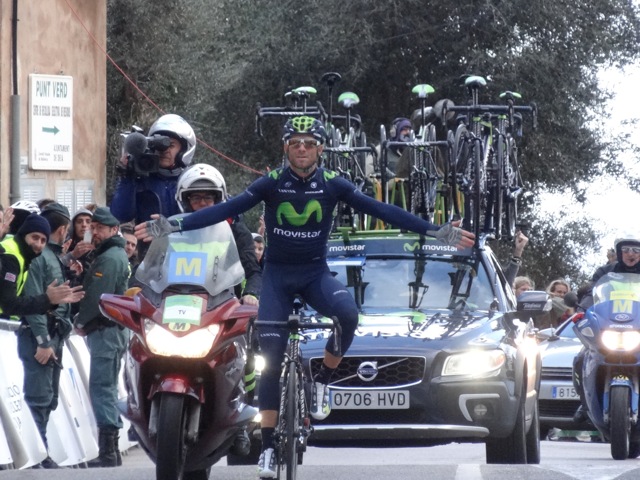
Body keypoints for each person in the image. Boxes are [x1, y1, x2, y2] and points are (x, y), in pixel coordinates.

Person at [135, 116, 475, 478]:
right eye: (295, 142)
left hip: (314, 275)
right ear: (285, 147)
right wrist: (169, 224)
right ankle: (267, 448)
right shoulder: (271, 183)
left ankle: (323, 382)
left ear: (320, 149)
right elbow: (223, 210)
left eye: (309, 143)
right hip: (278, 279)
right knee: (270, 361)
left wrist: (435, 231)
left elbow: (382, 210)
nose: (302, 148)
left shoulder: (332, 184)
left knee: (347, 315)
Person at [19, 203, 80, 468]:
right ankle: (36, 454)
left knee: (49, 397)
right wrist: (43, 341)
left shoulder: (52, 256)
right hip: (40, 336)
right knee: (38, 397)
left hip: (54, 333)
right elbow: (34, 301)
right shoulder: (41, 258)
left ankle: (41, 451)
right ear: (64, 230)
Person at [74, 207, 130, 468]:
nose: (93, 232)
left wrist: (81, 321)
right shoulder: (112, 254)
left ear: (113, 230)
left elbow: (97, 295)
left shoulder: (109, 258)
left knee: (102, 387)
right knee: (105, 385)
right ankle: (111, 450)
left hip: (105, 330)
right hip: (111, 330)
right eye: (92, 227)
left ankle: (108, 451)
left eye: (99, 228)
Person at [573, 233, 640, 423]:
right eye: (626, 250)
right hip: (610, 327)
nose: (631, 254)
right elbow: (591, 292)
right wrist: (581, 310)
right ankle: (584, 403)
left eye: (636, 250)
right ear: (619, 252)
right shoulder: (605, 272)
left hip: (638, 327)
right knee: (581, 358)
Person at [174, 163, 261, 306]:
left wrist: (251, 294)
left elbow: (253, 272)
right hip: (176, 303)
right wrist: (136, 286)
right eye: (196, 198)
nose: (202, 203)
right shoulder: (174, 231)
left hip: (223, 305)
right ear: (185, 201)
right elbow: (151, 268)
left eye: (208, 197)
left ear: (218, 200)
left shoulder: (236, 231)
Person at [110, 114, 196, 226]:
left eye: (171, 145)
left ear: (184, 149)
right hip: (149, 242)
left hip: (186, 241)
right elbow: (120, 215)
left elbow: (206, 214)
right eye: (159, 145)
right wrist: (127, 178)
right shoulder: (141, 179)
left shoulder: (191, 181)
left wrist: (173, 225)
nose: (164, 151)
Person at [0, 213, 83, 322]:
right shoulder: (11, 257)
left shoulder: (24, 254)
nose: (38, 244)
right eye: (35, 237)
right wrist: (48, 299)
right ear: (24, 235)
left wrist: (52, 299)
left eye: (43, 240)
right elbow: (8, 304)